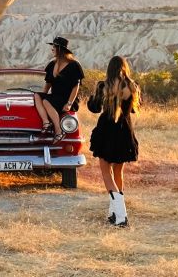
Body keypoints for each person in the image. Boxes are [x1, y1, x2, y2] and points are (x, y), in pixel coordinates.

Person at [87, 55, 140, 227]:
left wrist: (91, 96)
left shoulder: (103, 86)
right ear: (124, 67)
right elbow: (133, 110)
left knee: (106, 173)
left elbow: (94, 108)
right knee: (118, 173)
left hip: (106, 131)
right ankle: (114, 213)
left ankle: (121, 213)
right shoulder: (131, 86)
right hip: (125, 131)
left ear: (109, 68)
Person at [33, 36, 84, 141]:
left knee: (47, 101)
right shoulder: (51, 65)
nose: (52, 49)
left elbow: (76, 86)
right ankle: (46, 122)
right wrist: (43, 97)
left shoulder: (74, 65)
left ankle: (58, 131)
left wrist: (69, 103)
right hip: (54, 97)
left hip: (67, 99)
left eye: (54, 47)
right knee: (37, 95)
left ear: (60, 49)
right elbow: (48, 84)